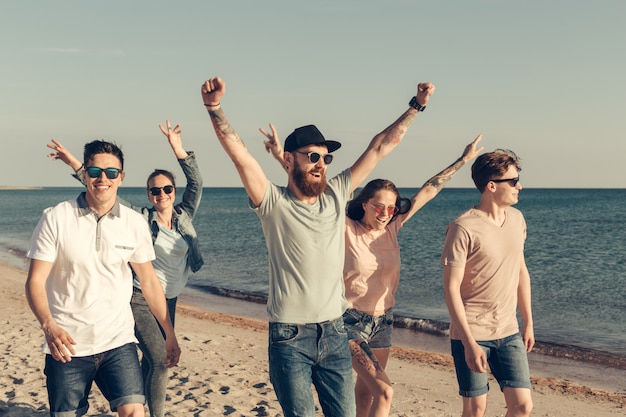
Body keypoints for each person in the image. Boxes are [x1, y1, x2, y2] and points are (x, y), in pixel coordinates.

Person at [201, 76, 435, 417]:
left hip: (335, 331)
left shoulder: (336, 195)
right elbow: (241, 155)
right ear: (289, 158)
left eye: (325, 159)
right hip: (289, 336)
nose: (320, 164)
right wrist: (214, 108)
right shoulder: (272, 202)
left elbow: (381, 146)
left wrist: (416, 106)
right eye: (312, 156)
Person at [262, 126, 482, 417]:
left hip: (383, 322)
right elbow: (311, 193)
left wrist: (463, 160)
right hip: (348, 322)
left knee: (365, 393)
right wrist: (284, 159)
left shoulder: (392, 228)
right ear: (364, 203)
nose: (385, 213)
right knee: (384, 390)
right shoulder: (343, 225)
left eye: (391, 208)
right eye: (379, 206)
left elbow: (430, 189)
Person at [46, 121, 204, 417]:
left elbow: (196, 183)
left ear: (173, 191)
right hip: (139, 296)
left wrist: (178, 149)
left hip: (169, 298)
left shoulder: (185, 216)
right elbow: (103, 186)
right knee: (159, 360)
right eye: (155, 191)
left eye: (167, 189)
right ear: (148, 195)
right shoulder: (139, 218)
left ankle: (135, 399)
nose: (162, 195)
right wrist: (74, 162)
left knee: (152, 360)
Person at [441, 149, 534, 417]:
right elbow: (451, 289)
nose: (519, 186)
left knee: (522, 407)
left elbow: (521, 271)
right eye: (513, 181)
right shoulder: (463, 227)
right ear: (492, 186)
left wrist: (527, 321)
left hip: (508, 330)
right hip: (472, 332)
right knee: (475, 410)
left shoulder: (517, 219)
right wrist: (469, 342)